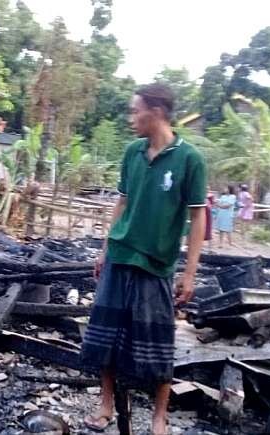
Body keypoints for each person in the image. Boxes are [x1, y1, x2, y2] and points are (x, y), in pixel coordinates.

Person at [80, 84, 207, 434]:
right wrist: (105, 248)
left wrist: (190, 272)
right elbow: (121, 202)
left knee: (158, 342)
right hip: (120, 256)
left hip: (156, 265)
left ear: (158, 112)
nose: (131, 117)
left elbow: (198, 217)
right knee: (105, 336)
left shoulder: (189, 159)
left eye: (136, 111)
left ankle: (158, 416)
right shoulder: (132, 152)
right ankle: (105, 403)